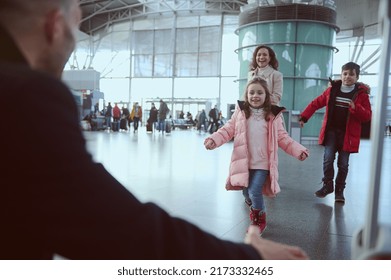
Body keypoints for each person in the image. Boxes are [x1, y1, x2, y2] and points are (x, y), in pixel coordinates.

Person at [0, 0, 308, 260]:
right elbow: (118, 229)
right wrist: (249, 257)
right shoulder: (26, 97)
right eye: (74, 31)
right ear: (55, 27)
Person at [204, 77, 309, 235]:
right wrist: (214, 139)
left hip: (263, 163)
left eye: (259, 92)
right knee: (246, 193)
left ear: (266, 95)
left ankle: (259, 219)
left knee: (254, 191)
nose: (255, 95)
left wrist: (298, 150)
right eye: (251, 92)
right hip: (244, 162)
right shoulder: (240, 112)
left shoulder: (273, 115)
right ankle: (255, 207)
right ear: (246, 94)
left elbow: (283, 137)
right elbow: (227, 130)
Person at [299, 62, 372, 203]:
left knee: (343, 164)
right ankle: (327, 185)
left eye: (351, 74)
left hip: (348, 135)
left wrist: (355, 107)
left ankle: (339, 190)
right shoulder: (332, 90)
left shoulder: (362, 96)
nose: (347, 77)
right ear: (341, 75)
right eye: (345, 73)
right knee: (328, 158)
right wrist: (304, 117)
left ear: (357, 77)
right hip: (331, 131)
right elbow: (316, 103)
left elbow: (367, 116)